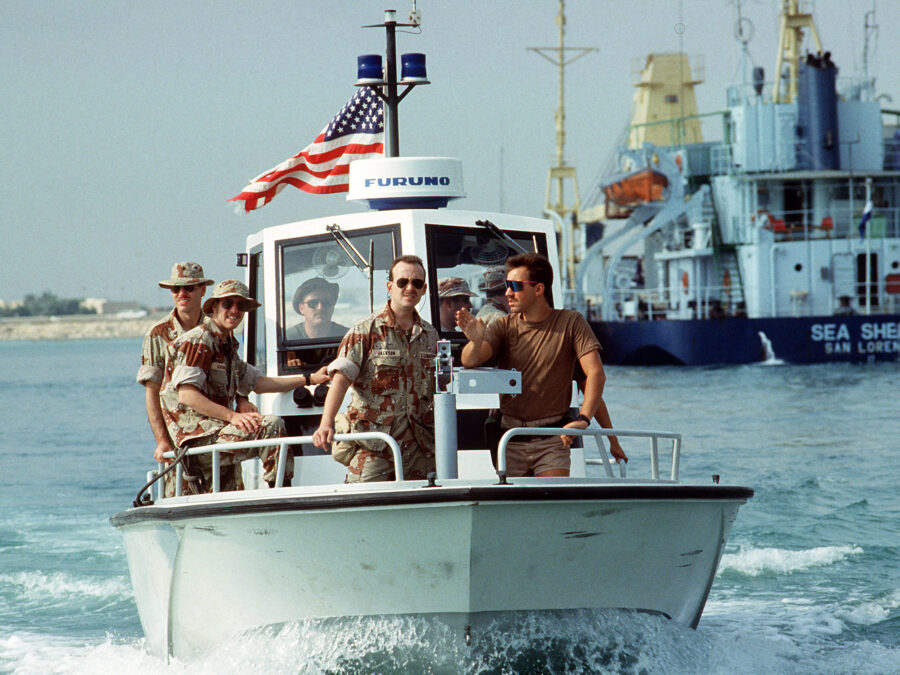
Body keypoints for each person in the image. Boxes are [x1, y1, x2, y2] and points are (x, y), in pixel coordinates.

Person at [160, 280, 329, 493]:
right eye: (228, 304)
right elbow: (187, 396)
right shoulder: (200, 341)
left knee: (228, 499)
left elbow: (257, 383)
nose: (235, 310)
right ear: (214, 308)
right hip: (197, 441)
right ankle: (282, 494)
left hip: (217, 434)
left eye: (240, 306)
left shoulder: (226, 344)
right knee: (270, 426)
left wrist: (309, 379)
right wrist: (233, 417)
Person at [457, 253, 606, 477]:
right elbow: (469, 360)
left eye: (515, 286)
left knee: (550, 505)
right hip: (510, 436)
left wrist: (583, 420)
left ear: (539, 289)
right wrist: (476, 341)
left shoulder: (571, 322)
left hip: (553, 440)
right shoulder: (503, 325)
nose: (508, 292)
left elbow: (595, 374)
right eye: (507, 285)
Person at [312, 255, 437, 482]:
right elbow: (341, 379)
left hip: (420, 448)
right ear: (390, 286)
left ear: (424, 289)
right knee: (364, 512)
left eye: (417, 283)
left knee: (425, 512)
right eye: (403, 282)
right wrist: (325, 424)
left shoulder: (430, 336)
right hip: (375, 446)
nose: (410, 288)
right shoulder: (365, 331)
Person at [136, 262, 256, 467]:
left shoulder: (220, 326)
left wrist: (242, 398)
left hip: (220, 432)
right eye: (176, 288)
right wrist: (162, 441)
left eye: (189, 288)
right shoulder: (158, 334)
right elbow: (152, 392)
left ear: (202, 290)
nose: (181, 293)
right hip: (181, 438)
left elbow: (234, 371)